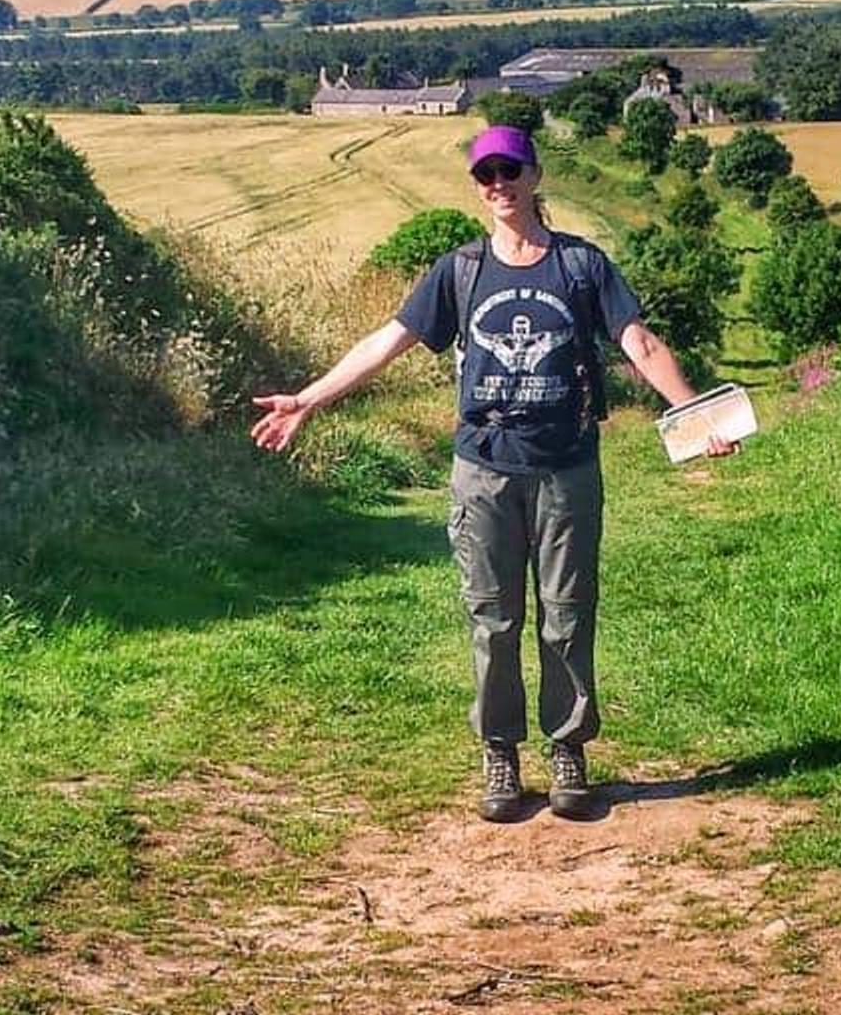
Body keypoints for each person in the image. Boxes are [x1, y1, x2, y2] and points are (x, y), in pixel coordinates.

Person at [251, 122, 734, 822]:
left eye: (510, 171)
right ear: (478, 189)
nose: (499, 185)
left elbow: (640, 341)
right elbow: (388, 341)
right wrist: (308, 399)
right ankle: (500, 755)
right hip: (483, 470)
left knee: (567, 616)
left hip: (566, 467)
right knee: (493, 618)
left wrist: (697, 414)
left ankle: (568, 749)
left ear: (535, 177)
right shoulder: (461, 270)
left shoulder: (581, 265)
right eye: (486, 176)